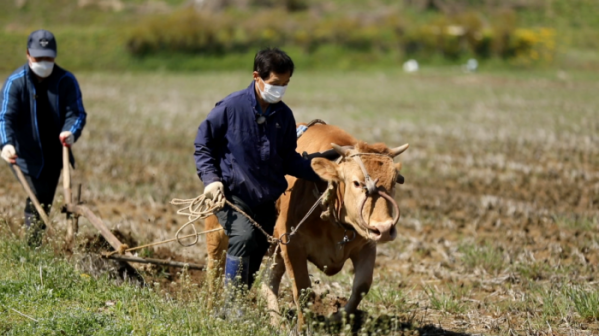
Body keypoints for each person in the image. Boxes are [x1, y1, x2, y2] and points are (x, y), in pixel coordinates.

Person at [194, 48, 321, 291]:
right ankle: (234, 309)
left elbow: (289, 160)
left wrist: (322, 170)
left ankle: (238, 296)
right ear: (256, 77)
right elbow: (203, 144)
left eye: (285, 84)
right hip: (232, 194)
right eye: (275, 83)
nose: (280, 89)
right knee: (243, 237)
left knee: (258, 246)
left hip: (265, 199)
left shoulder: (284, 116)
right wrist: (210, 180)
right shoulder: (231, 107)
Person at [0, 29, 87, 245]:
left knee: (46, 198)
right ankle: (32, 247)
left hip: (56, 152)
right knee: (38, 196)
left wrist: (70, 132)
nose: (44, 62)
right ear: (28, 55)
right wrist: (6, 143)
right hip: (25, 154)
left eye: (48, 58)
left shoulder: (66, 81)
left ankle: (55, 243)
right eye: (39, 58)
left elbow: (76, 113)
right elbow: (4, 117)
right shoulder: (16, 83)